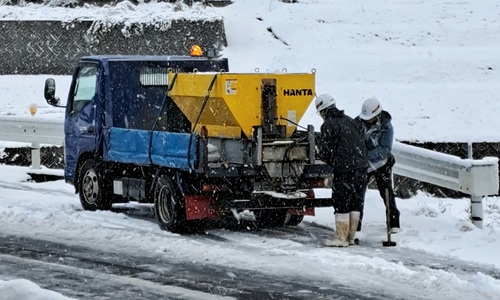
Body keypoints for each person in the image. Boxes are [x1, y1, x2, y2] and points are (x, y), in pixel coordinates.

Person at [315, 94, 368, 247]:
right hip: (362, 168)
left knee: (342, 203)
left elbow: (326, 150)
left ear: (323, 111)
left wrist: (326, 159)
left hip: (345, 170)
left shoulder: (328, 125)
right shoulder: (350, 121)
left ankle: (341, 239)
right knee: (355, 202)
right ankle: (351, 238)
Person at [355, 97, 400, 233]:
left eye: (369, 118)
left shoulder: (386, 126)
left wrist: (365, 155)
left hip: (382, 164)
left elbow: (385, 150)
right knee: (358, 195)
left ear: (377, 114)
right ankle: (356, 227)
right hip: (363, 166)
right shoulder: (357, 123)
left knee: (387, 193)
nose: (367, 120)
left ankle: (393, 223)